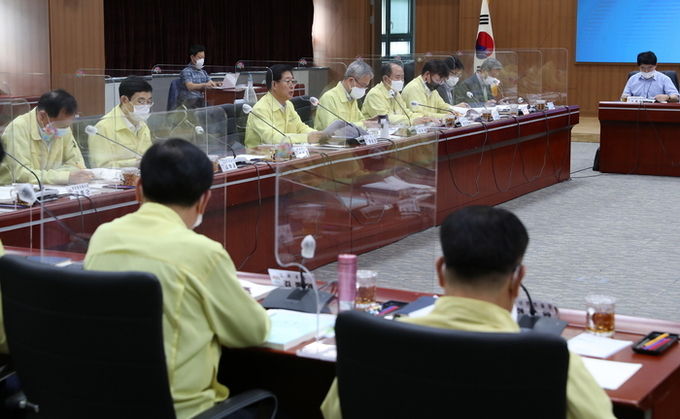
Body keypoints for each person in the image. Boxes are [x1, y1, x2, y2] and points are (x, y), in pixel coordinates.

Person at [321, 206, 616, 419]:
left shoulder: (374, 342)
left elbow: (334, 411)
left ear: (440, 271)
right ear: (517, 280)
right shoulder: (548, 359)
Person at [84, 138, 270, 419]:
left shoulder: (103, 237)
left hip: (105, 403)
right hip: (183, 411)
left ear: (138, 189)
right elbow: (252, 332)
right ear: (204, 199)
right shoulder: (203, 253)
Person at [0, 89, 91, 185]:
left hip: (53, 188)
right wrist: (64, 176)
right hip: (14, 190)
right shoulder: (18, 128)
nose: (65, 129)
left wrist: (62, 176)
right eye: (60, 126)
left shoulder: (64, 126)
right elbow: (22, 174)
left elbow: (77, 164)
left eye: (67, 125)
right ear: (42, 116)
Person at [245, 64, 326, 147]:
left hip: (285, 152)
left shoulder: (288, 104)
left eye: (293, 81)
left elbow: (300, 128)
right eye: (288, 81)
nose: (292, 86)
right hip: (259, 153)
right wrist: (306, 138)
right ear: (274, 85)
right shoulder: (260, 109)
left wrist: (319, 135)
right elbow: (272, 139)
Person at [88, 76, 153, 168]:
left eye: (149, 101)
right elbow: (101, 166)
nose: (146, 107)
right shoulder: (103, 128)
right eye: (141, 102)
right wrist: (135, 163)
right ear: (124, 100)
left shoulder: (142, 124)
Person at [361, 61, 433, 126]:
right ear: (385, 79)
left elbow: (406, 113)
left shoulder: (395, 92)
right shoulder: (375, 94)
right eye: (398, 77)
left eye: (402, 77)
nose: (401, 81)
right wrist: (412, 121)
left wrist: (424, 118)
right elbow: (386, 119)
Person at [314, 60, 373, 130]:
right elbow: (334, 130)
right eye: (363, 85)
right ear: (351, 80)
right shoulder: (329, 98)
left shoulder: (351, 97)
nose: (364, 89)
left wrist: (369, 123)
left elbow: (361, 121)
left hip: (350, 136)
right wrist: (364, 124)